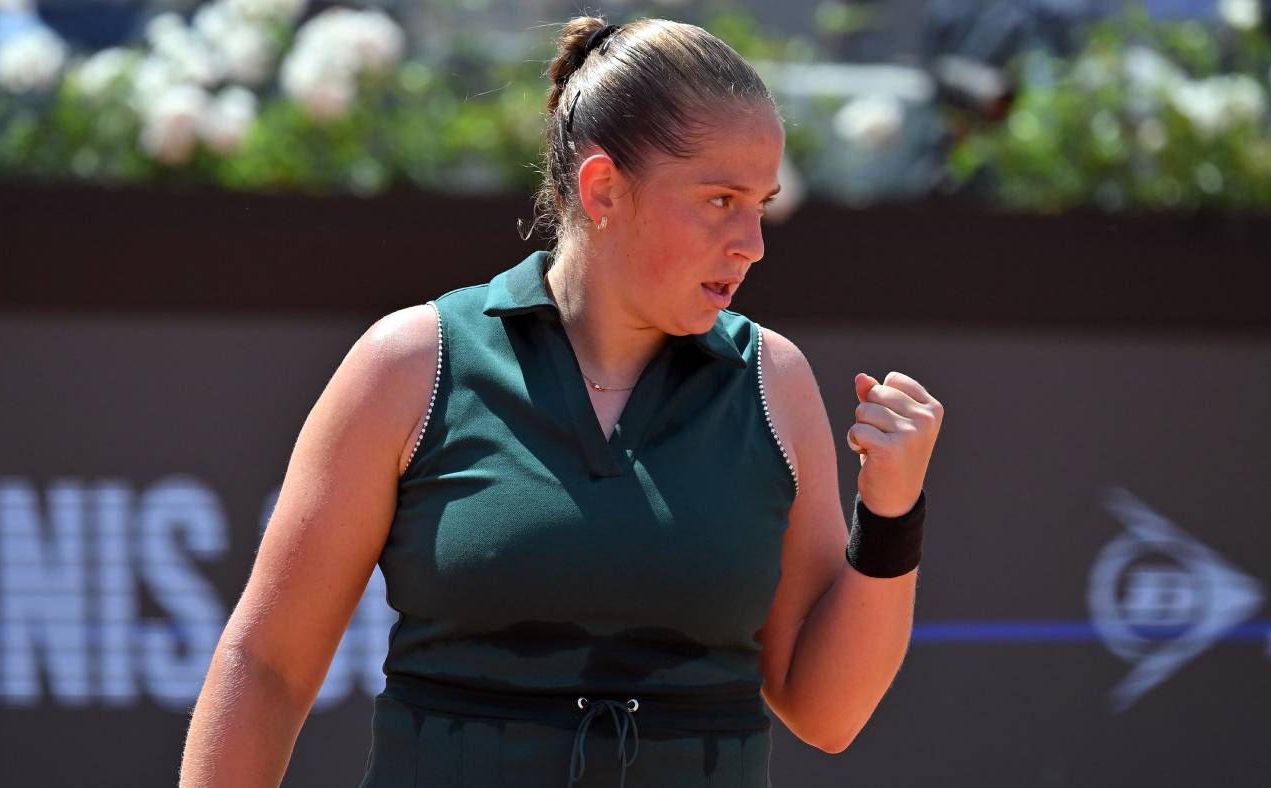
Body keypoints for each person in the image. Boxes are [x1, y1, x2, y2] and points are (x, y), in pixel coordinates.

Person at [178, 14, 943, 788]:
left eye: (761, 204)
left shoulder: (775, 381)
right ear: (603, 187)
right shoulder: (410, 364)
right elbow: (267, 665)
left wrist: (891, 515)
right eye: (720, 200)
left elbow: (827, 712)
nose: (754, 242)